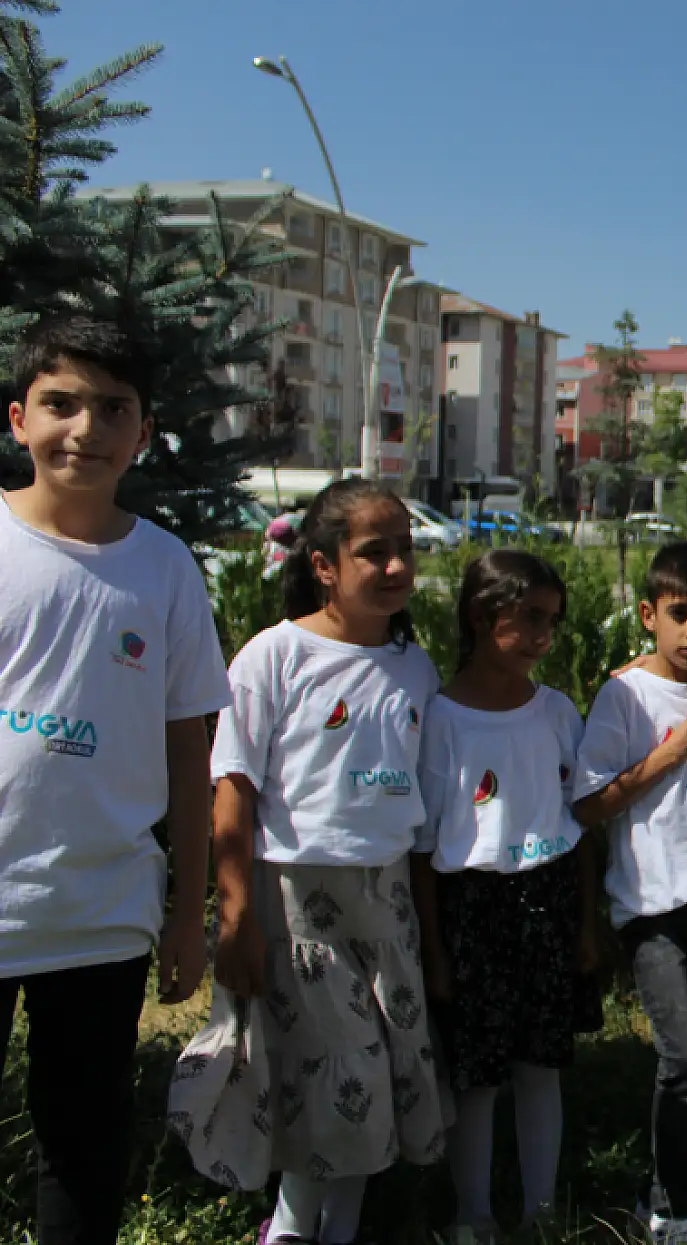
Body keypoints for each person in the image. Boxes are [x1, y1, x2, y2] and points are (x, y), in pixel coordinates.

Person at [0, 315, 230, 1245]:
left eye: (112, 408)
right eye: (61, 404)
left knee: (85, 1142)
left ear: (143, 432)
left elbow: (188, 749)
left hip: (101, 909)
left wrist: (187, 910)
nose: (84, 429)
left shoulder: (165, 567)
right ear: (19, 418)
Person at [194, 478, 449, 1245]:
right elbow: (232, 789)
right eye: (375, 551)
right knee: (338, 1073)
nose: (398, 565)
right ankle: (292, 1229)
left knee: (381, 1069)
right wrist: (235, 912)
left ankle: (337, 1229)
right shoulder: (274, 656)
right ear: (325, 565)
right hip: (299, 900)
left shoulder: (416, 668)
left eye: (405, 548)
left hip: (387, 899)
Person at [412, 549, 600, 1243]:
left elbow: (577, 825)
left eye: (552, 620)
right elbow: (426, 849)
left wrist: (584, 927)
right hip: (472, 909)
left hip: (545, 902)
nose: (544, 635)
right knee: (477, 1075)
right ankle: (473, 1214)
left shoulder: (555, 711)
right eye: (529, 618)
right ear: (481, 615)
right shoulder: (442, 718)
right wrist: (435, 952)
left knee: (540, 1066)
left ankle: (543, 1211)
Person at [573, 542, 687, 1245]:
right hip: (654, 908)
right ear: (649, 614)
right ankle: (677, 1209)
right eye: (679, 614)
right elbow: (589, 805)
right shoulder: (625, 695)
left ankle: (662, 1187)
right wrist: (670, 753)